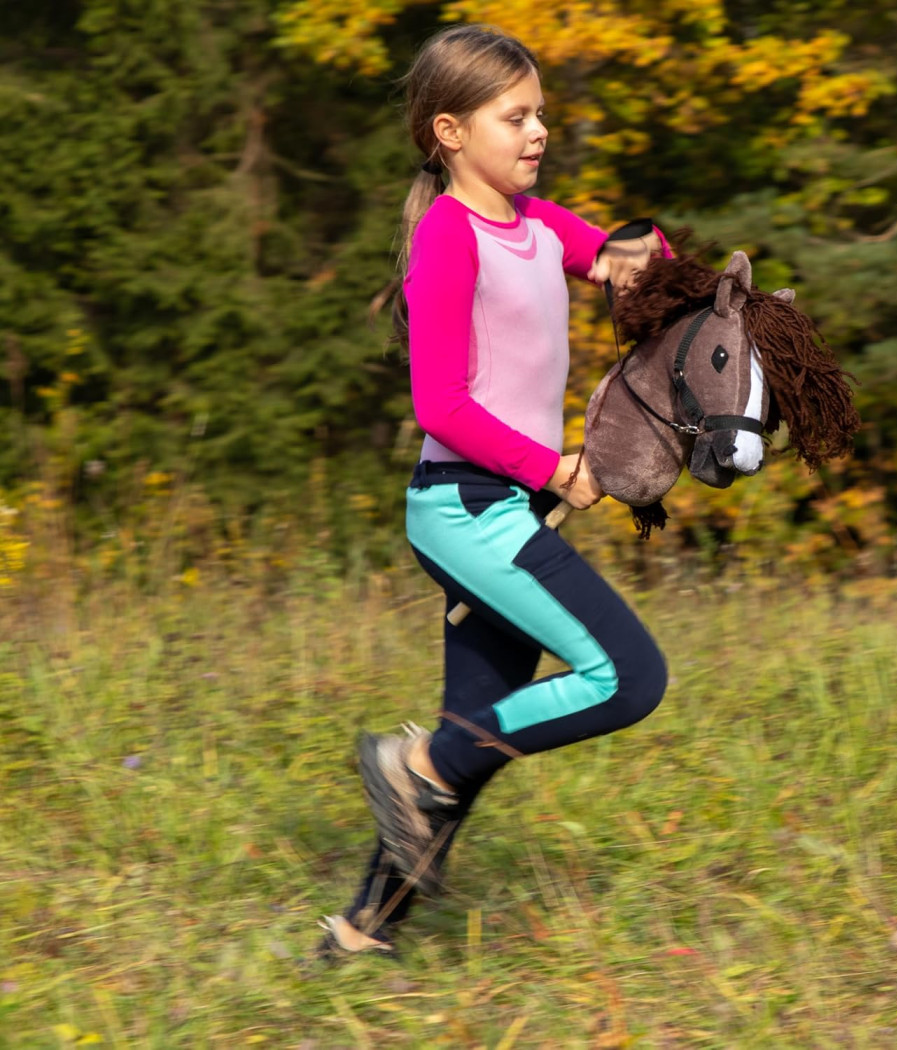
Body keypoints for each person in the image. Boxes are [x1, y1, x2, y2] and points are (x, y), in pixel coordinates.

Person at [319, 24, 669, 958]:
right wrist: (554, 468)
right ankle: (414, 762)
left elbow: (621, 261)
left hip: (504, 509)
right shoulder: (449, 238)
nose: (537, 130)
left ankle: (359, 934)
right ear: (449, 130)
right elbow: (440, 401)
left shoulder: (538, 224)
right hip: (465, 508)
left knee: (475, 740)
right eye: (514, 116)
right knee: (628, 678)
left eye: (542, 114)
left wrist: (680, 272)